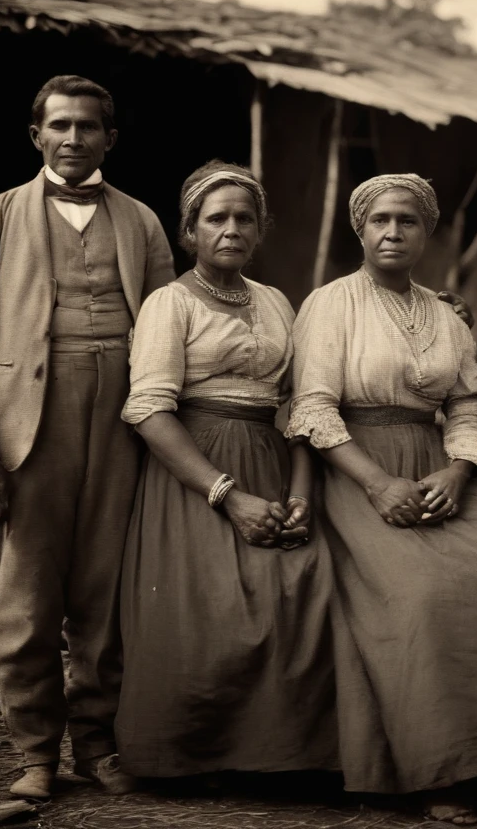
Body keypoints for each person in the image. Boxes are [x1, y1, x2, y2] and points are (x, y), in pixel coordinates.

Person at [287, 173, 477, 824]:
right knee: (421, 592)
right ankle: (442, 768)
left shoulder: (441, 313)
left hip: (440, 468)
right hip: (357, 470)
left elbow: (464, 401)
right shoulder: (331, 303)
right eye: (381, 221)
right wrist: (378, 485)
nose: (393, 232)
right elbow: (313, 407)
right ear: (361, 229)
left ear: (428, 232)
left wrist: (460, 471)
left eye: (408, 221)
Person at [0, 75, 174, 799]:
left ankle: (98, 745)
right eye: (59, 126)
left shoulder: (142, 222)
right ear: (36, 135)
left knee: (107, 596)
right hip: (27, 433)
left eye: (88, 127)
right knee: (29, 599)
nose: (73, 139)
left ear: (110, 138)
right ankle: (36, 752)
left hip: (124, 428)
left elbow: (169, 333)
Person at [114, 161, 337, 777]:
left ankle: (285, 758)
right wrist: (227, 494)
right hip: (197, 468)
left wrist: (300, 491)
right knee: (211, 610)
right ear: (189, 232)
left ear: (260, 229)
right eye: (215, 219)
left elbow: (295, 403)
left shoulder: (275, 303)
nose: (230, 229)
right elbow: (149, 411)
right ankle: (190, 760)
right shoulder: (170, 303)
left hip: (270, 457)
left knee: (304, 589)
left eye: (244, 218)